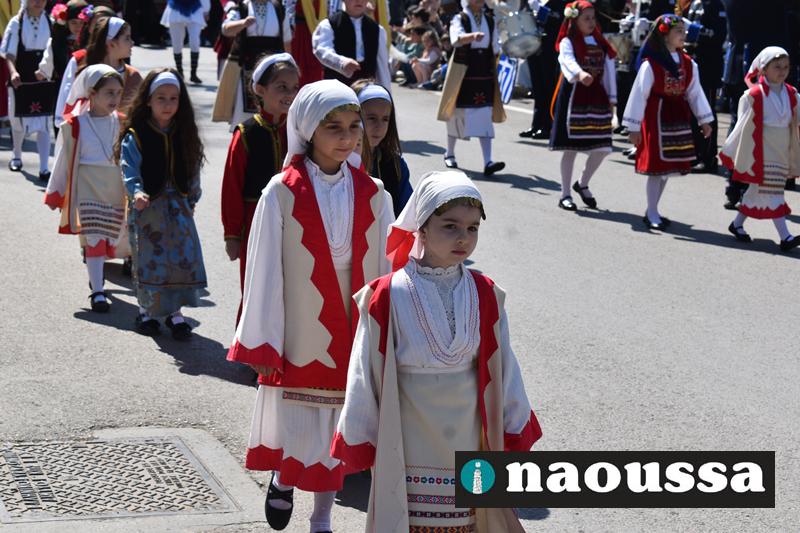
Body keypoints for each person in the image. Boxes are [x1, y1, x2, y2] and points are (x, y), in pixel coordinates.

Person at [332, 170, 542, 533]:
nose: (464, 238)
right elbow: (365, 370)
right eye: (450, 226)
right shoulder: (387, 294)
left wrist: (514, 422)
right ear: (422, 229)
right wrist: (359, 432)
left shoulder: (486, 293)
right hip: (408, 437)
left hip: (470, 435)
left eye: (472, 228)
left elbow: (504, 367)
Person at [226, 79, 394, 533]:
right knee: (303, 419)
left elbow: (386, 268)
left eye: (354, 126)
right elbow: (264, 268)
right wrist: (262, 336)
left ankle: (322, 518)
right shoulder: (281, 191)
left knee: (339, 422)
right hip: (301, 319)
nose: (347, 137)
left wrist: (390, 331)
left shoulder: (375, 193)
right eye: (333, 127)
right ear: (306, 130)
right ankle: (284, 477)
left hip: (353, 316)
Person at [117, 69, 208, 340]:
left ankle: (175, 313)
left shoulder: (184, 133)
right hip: (148, 209)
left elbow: (192, 166)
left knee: (180, 258)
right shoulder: (137, 134)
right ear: (148, 100)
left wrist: (192, 195)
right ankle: (146, 312)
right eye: (161, 98)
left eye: (173, 98)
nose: (167, 104)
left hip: (178, 206)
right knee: (150, 259)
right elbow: (129, 167)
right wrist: (136, 192)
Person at [221, 52, 300, 323]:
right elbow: (231, 187)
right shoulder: (246, 133)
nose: (289, 94)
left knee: (290, 286)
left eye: (294, 87)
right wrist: (232, 235)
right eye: (281, 87)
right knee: (256, 286)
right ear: (260, 89)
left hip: (294, 221)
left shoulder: (299, 131)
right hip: (254, 221)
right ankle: (250, 342)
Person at [44, 65, 127, 312]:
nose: (115, 98)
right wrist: (55, 192)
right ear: (92, 93)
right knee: (94, 236)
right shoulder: (76, 125)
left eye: (118, 93)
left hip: (115, 188)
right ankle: (98, 291)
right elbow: (64, 159)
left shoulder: (123, 123)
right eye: (109, 92)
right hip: (88, 187)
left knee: (111, 235)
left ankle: (97, 277)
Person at [622, 14, 713, 230]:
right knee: (658, 167)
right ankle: (652, 212)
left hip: (678, 116)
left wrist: (704, 120)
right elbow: (639, 95)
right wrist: (633, 127)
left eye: (684, 30)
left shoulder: (688, 63)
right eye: (678, 31)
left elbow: (695, 93)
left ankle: (653, 210)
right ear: (664, 36)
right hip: (656, 116)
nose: (684, 34)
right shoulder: (651, 64)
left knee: (668, 168)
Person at [720, 47, 800, 252]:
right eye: (777, 67)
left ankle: (737, 224)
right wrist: (735, 149)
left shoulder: (792, 94)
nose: (782, 71)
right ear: (763, 69)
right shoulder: (754, 95)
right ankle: (786, 237)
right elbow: (743, 125)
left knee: (758, 191)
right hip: (762, 151)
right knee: (773, 191)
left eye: (786, 67)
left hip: (782, 149)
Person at [548, 0, 617, 211]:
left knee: (603, 148)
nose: (591, 22)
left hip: (597, 98)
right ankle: (565, 194)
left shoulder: (601, 42)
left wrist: (612, 99)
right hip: (574, 97)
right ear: (575, 21)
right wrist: (580, 73)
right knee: (570, 149)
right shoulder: (568, 41)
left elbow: (609, 71)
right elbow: (566, 60)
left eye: (593, 18)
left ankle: (583, 183)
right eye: (586, 18)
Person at [437, 0, 505, 176]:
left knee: (484, 114)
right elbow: (456, 39)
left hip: (483, 70)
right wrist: (472, 37)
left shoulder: (489, 19)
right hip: (463, 69)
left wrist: (501, 50)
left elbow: (495, 45)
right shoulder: (459, 18)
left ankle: (488, 161)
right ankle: (449, 153)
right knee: (456, 112)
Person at [216, 0, 290, 130]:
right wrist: (243, 23)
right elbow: (226, 29)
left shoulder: (279, 9)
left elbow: (287, 40)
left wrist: (289, 65)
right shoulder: (242, 8)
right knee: (243, 113)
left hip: (274, 68)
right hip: (247, 66)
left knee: (273, 108)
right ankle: (243, 137)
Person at [1, 0, 53, 179]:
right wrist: (13, 72)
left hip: (43, 77)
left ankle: (44, 168)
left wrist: (47, 71)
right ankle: (16, 156)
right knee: (18, 121)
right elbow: (9, 54)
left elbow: (53, 50)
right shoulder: (17, 22)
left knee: (44, 123)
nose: (38, 2)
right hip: (21, 79)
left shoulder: (51, 22)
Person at [61, 16, 142, 120]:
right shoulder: (85, 69)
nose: (132, 42)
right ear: (111, 43)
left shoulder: (133, 76)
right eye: (127, 38)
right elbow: (66, 102)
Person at [352, 79, 413, 215]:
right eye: (372, 118)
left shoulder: (396, 165)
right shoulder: (337, 162)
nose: (379, 127)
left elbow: (407, 214)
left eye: (385, 119)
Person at [311, 0, 392, 90]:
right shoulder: (329, 24)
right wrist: (341, 62)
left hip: (365, 90)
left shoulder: (377, 29)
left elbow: (382, 68)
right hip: (336, 88)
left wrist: (386, 93)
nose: (359, 1)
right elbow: (321, 50)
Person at [520, 0, 566, 140]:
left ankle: (548, 125)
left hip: (550, 46)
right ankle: (536, 124)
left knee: (548, 86)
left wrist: (544, 10)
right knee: (537, 87)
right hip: (533, 43)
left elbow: (561, 19)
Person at [35, 1, 87, 85]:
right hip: (63, 83)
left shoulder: (90, 41)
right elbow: (49, 58)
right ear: (67, 23)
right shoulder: (58, 41)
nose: (78, 26)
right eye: (73, 22)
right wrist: (43, 71)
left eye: (81, 22)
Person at [161, 0, 212, 84]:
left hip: (195, 8)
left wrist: (206, 10)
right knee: (177, 43)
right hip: (175, 7)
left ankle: (193, 73)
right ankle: (180, 72)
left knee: (195, 41)